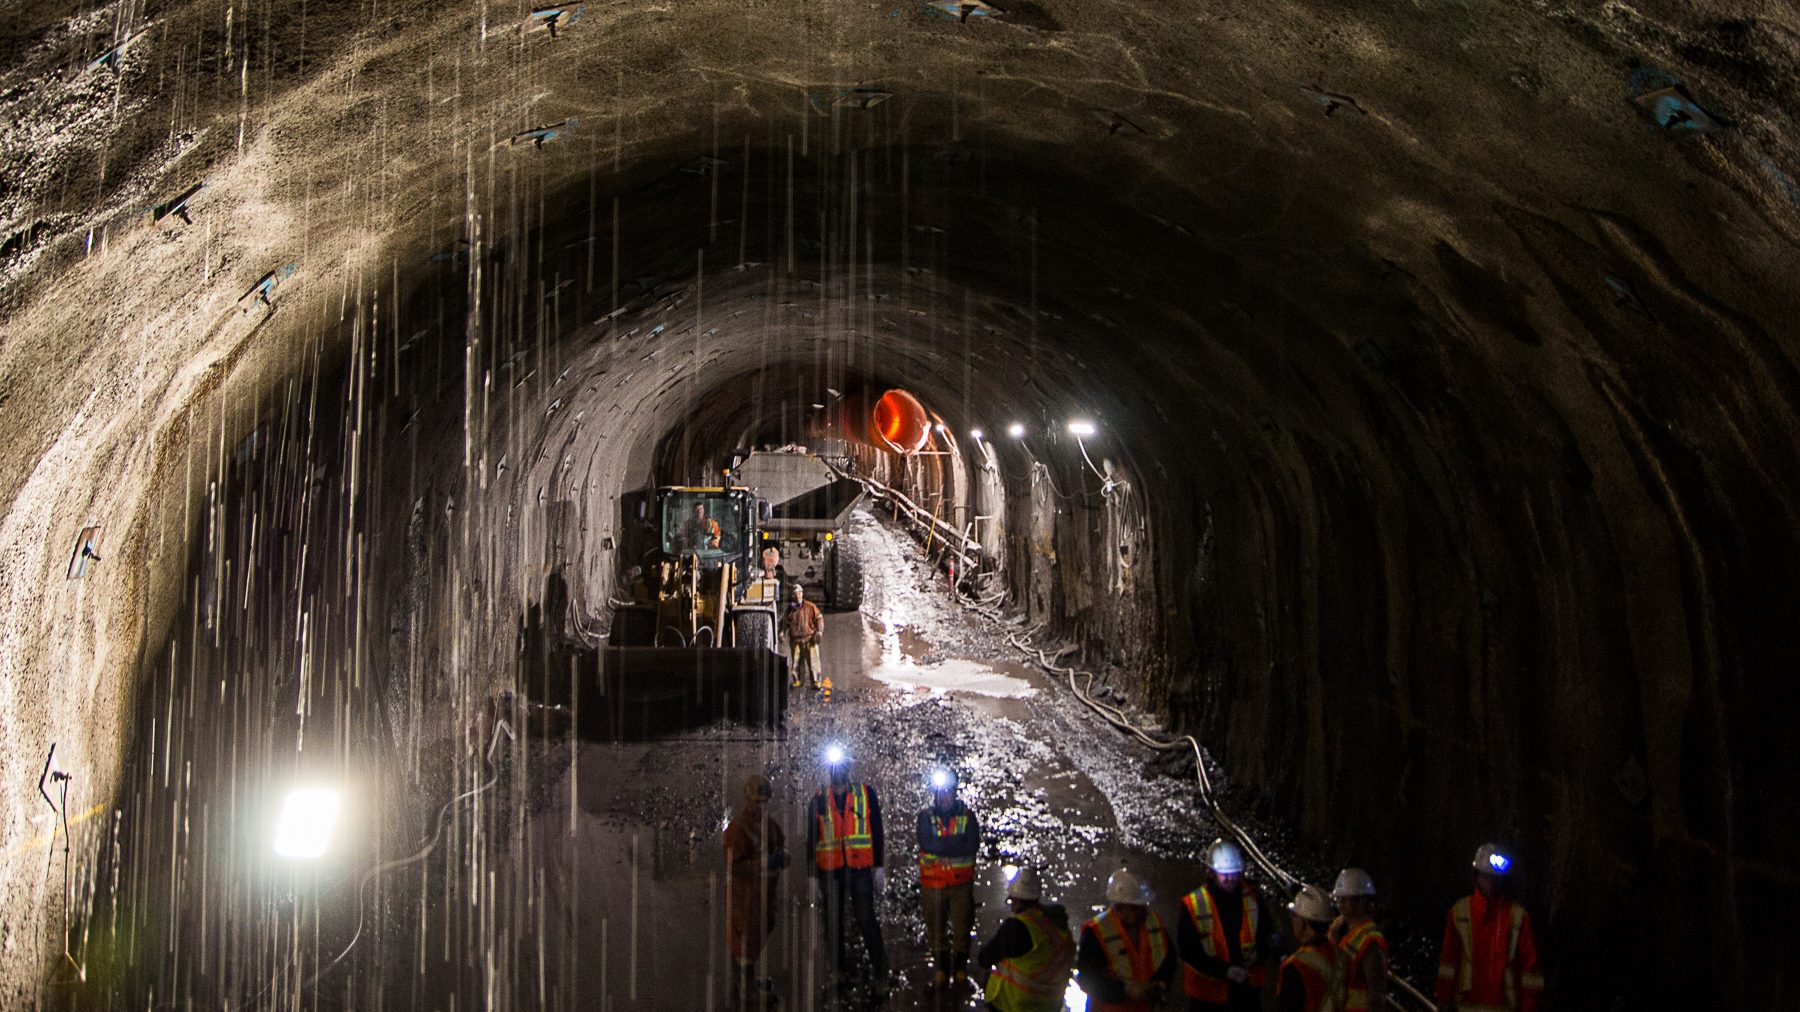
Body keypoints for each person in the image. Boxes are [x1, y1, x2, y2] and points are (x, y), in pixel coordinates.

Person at [807, 747, 888, 999]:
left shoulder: (865, 794)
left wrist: (879, 866)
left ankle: (881, 974)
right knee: (834, 924)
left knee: (866, 919)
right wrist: (812, 874)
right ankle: (839, 972)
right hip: (831, 870)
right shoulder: (819, 799)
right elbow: (812, 837)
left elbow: (877, 829)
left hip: (860, 868)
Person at [1435, 844, 1543, 1012]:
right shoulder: (1459, 912)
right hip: (1466, 1006)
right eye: (1487, 877)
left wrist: (1529, 1007)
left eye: (1495, 878)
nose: (1491, 883)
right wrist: (1443, 998)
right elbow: (1449, 960)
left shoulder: (1518, 916)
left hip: (1503, 1007)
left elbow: (1530, 969)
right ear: (1477, 876)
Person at [1178, 839, 1278, 1011]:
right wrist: (1224, 971)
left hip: (1246, 993)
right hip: (1209, 998)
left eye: (1234, 873)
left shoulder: (1252, 898)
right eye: (1224, 874)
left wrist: (1258, 955)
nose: (1230, 878)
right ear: (1211, 873)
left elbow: (1266, 933)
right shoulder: (1193, 904)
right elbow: (1187, 950)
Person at [724, 774, 788, 1009]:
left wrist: (781, 857)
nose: (759, 806)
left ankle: (745, 982)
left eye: (763, 802)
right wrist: (765, 863)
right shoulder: (738, 829)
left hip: (763, 894)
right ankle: (746, 990)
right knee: (745, 939)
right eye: (755, 801)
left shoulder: (769, 825)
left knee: (756, 934)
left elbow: (780, 844)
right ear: (747, 800)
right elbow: (734, 865)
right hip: (745, 896)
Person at [1077, 867, 1176, 1011]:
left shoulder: (1152, 923)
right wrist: (1125, 990)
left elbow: (1169, 957)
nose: (1144, 911)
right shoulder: (1096, 932)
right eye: (1137, 907)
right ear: (1120, 907)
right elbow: (1087, 979)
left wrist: (1161, 983)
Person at [977, 866, 1075, 1012]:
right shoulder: (1056, 922)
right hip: (1051, 1004)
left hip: (1018, 1004)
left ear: (1015, 900)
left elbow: (984, 958)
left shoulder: (1017, 928)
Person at [917, 767, 981, 987]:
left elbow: (971, 845)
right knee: (936, 930)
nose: (944, 798)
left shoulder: (968, 816)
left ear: (955, 793)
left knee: (962, 928)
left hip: (960, 884)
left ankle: (960, 969)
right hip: (932, 885)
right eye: (941, 793)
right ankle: (941, 969)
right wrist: (955, 843)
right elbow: (927, 843)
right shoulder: (925, 817)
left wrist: (942, 846)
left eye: (948, 793)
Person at [1328, 869, 1387, 1012]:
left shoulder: (1370, 939)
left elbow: (1375, 991)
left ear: (1362, 901)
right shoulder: (1344, 931)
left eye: (1347, 898)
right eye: (1339, 898)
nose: (1341, 903)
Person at [1278, 885, 1342, 1012]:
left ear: (1304, 922)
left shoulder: (1295, 967)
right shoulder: (1341, 953)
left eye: (1294, 916)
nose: (1292, 920)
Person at [785, 584, 824, 690]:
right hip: (795, 640)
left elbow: (819, 619)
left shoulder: (810, 607)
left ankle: (816, 682)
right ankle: (798, 681)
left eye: (799, 593)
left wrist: (819, 632)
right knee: (797, 664)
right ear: (792, 596)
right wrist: (781, 633)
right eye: (795, 594)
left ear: (802, 594)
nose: (797, 596)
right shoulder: (790, 609)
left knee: (813, 663)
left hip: (809, 639)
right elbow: (784, 622)